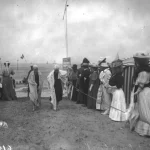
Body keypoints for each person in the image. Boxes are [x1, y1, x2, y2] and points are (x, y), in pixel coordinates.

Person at [127, 53, 150, 136]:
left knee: (144, 111)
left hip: (143, 92)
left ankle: (146, 130)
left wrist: (136, 93)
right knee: (141, 109)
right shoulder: (145, 71)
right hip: (144, 92)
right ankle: (140, 127)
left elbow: (140, 85)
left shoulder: (143, 72)